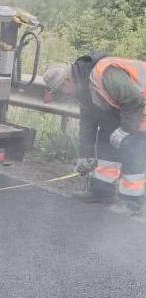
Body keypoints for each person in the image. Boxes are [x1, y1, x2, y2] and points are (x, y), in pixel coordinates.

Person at [44, 53, 146, 215]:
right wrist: (85, 155)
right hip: (127, 111)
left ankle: (132, 203)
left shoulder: (104, 74)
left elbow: (134, 100)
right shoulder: (83, 89)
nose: (65, 96)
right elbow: (88, 122)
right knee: (106, 138)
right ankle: (102, 191)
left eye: (62, 92)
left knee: (131, 147)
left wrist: (125, 130)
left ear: (67, 81)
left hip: (139, 109)